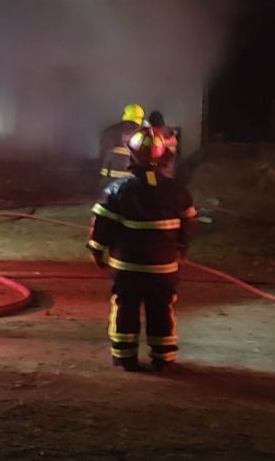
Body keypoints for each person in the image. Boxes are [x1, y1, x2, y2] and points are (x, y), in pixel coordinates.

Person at [87, 126, 195, 372]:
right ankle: (163, 356)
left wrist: (96, 251)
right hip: (164, 268)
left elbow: (102, 227)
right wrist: (181, 250)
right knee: (161, 309)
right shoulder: (178, 191)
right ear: (164, 156)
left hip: (128, 268)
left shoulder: (117, 190)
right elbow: (189, 225)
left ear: (132, 155)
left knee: (126, 308)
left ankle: (125, 356)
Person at [99, 103, 144, 187]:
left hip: (111, 177)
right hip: (131, 178)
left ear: (125, 114)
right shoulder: (142, 133)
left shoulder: (112, 130)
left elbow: (104, 151)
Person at [144, 109, 179, 179]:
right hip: (170, 170)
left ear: (152, 123)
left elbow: (155, 157)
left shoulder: (157, 137)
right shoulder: (169, 132)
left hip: (160, 173)